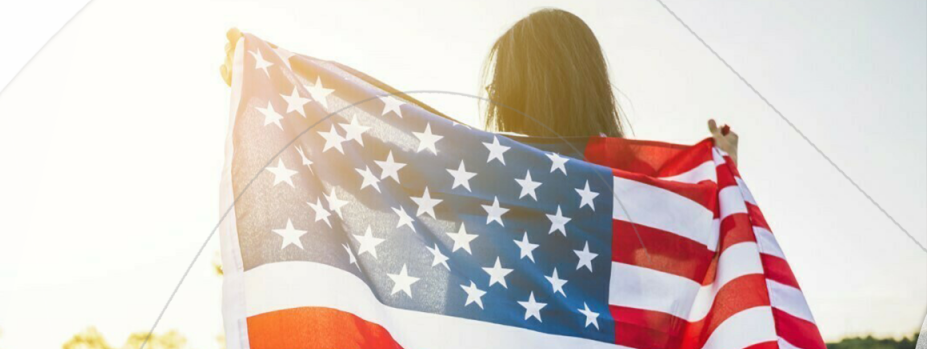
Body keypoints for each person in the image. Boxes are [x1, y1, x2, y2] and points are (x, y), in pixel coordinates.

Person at [219, 9, 739, 164]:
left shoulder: (483, 167)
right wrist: (262, 84)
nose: (491, 93)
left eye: (502, 80)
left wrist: (720, 173)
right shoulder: (478, 163)